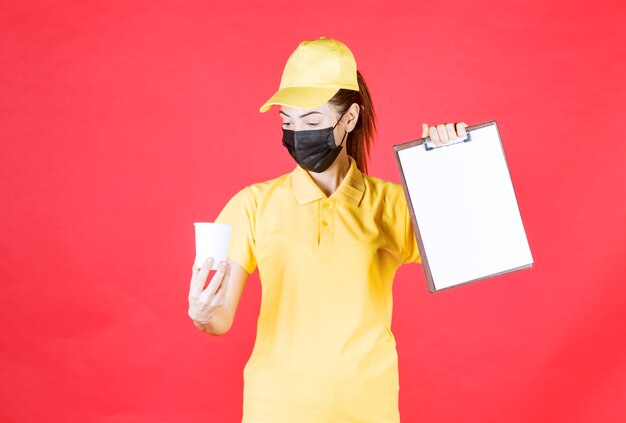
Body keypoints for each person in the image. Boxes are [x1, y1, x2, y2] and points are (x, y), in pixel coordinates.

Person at [188, 36, 467, 423]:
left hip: (369, 410)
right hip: (275, 410)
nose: (298, 133)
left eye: (313, 121)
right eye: (288, 121)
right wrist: (202, 312)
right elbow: (218, 320)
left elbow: (471, 252)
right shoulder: (252, 205)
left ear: (349, 118)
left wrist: (453, 167)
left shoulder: (392, 204)